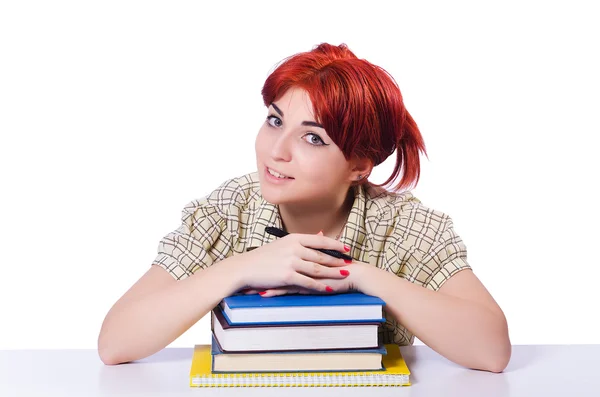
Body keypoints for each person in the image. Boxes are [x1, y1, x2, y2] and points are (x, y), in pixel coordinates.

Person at [98, 43, 511, 372]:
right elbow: (115, 342)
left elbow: (491, 350)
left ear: (358, 165)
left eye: (312, 138)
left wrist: (355, 276)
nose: (276, 152)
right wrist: (244, 266)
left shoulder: (404, 225)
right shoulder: (228, 210)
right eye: (275, 121)